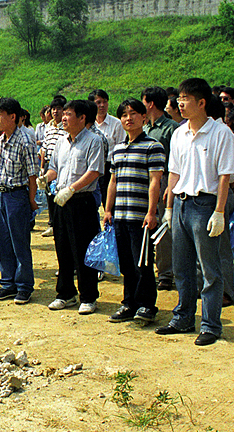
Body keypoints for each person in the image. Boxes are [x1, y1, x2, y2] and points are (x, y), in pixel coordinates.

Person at [155, 79, 234, 346]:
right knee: (181, 266)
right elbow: (174, 172)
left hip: (205, 205)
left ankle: (211, 324)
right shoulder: (180, 133)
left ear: (202, 102)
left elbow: (226, 176)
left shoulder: (221, 134)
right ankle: (182, 317)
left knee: (209, 269)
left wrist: (219, 212)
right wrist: (169, 207)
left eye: (185, 98)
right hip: (181, 203)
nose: (180, 103)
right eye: (179, 98)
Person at [104, 98, 165, 326]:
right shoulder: (118, 149)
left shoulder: (153, 146)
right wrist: (108, 209)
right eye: (124, 115)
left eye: (133, 114)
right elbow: (113, 181)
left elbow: (155, 182)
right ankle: (129, 303)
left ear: (143, 116)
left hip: (140, 217)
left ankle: (147, 305)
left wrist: (151, 212)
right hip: (120, 216)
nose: (128, 118)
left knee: (143, 263)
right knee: (126, 263)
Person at [45, 99, 105, 315]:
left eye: (68, 114)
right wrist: (46, 178)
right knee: (63, 248)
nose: (63, 117)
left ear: (82, 118)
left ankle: (88, 296)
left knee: (83, 250)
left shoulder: (93, 141)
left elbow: (94, 171)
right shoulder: (61, 141)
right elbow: (54, 167)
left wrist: (71, 189)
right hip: (61, 202)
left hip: (81, 201)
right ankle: (65, 293)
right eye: (64, 114)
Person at [0, 98, 40, 304]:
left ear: (13, 117)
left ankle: (24, 286)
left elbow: (32, 176)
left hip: (17, 195)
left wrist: (31, 201)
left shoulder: (25, 142)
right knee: (3, 241)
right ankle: (7, 283)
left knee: (20, 242)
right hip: (0, 195)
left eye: (0, 114)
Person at [143, 86, 178, 291]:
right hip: (145, 181)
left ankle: (165, 273)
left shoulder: (171, 128)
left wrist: (171, 186)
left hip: (164, 180)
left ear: (151, 104)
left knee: (164, 227)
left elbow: (176, 160)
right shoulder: (145, 128)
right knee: (146, 222)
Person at [91, 88, 127, 203]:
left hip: (109, 166)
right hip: (93, 166)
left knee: (109, 200)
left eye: (105, 102)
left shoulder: (116, 124)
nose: (102, 105)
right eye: (98, 102)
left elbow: (121, 146)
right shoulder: (89, 125)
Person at [38, 96, 67, 237]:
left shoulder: (66, 127)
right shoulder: (48, 128)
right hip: (49, 163)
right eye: (53, 109)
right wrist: (42, 167)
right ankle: (52, 224)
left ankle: (61, 224)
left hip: (61, 164)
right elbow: (44, 148)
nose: (55, 112)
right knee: (49, 195)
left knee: (60, 194)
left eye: (59, 109)